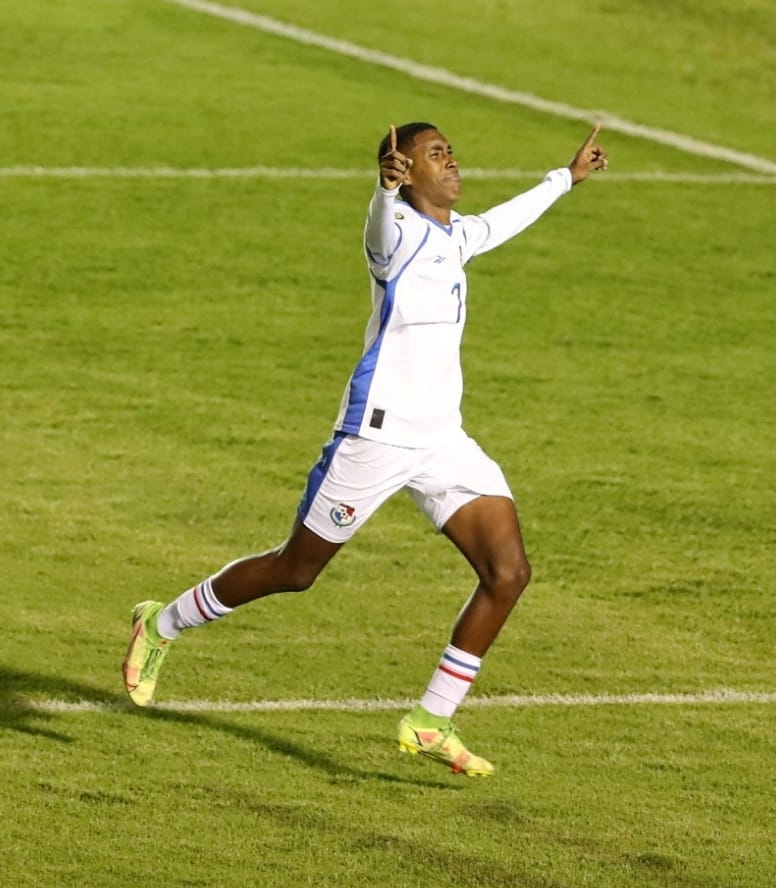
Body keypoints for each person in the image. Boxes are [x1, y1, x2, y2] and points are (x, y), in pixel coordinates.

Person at [121, 123, 609, 776]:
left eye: (451, 151)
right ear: (407, 172)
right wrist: (383, 190)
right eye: (437, 155)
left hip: (442, 441)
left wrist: (565, 176)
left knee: (508, 572)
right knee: (295, 570)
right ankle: (161, 624)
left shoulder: (455, 235)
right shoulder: (398, 236)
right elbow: (380, 230)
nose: (453, 162)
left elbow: (503, 220)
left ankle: (431, 720)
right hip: (375, 437)